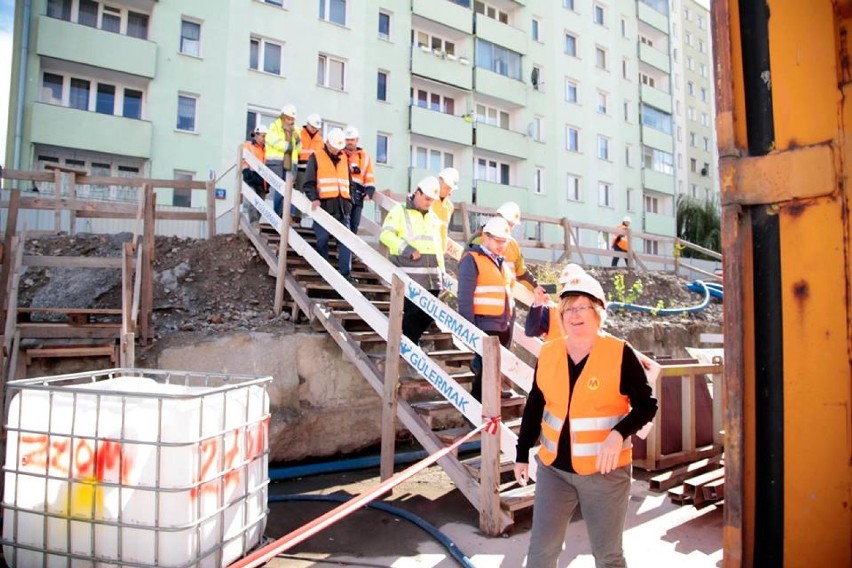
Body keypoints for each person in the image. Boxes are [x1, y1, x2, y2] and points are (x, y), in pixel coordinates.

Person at [513, 268, 658, 568]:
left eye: (583, 307)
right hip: (554, 470)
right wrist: (522, 452)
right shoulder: (550, 353)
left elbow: (647, 405)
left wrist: (618, 434)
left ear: (598, 312)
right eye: (568, 309)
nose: (574, 315)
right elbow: (535, 404)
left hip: (605, 475)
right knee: (541, 552)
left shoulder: (620, 354)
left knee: (608, 557)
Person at [379, 176, 445, 344]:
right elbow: (386, 235)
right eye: (427, 198)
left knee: (428, 315)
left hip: (432, 279)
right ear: (417, 192)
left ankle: (409, 346)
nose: (429, 203)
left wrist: (441, 274)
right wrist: (407, 250)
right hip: (409, 277)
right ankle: (406, 349)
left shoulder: (433, 218)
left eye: (432, 200)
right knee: (410, 318)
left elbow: (437, 247)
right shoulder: (399, 211)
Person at [458, 216, 516, 401]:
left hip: (502, 326)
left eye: (504, 242)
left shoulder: (501, 263)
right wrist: (469, 328)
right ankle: (475, 416)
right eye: (497, 241)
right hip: (484, 325)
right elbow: (465, 297)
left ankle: (483, 416)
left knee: (490, 376)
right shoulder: (472, 260)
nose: (501, 245)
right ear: (485, 237)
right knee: (484, 377)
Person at [303, 127, 354, 281]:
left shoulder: (344, 158)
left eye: (339, 148)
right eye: (334, 148)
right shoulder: (316, 157)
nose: (337, 151)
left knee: (346, 241)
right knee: (322, 239)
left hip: (343, 207)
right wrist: (314, 198)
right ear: (327, 143)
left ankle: (345, 274)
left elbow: (349, 182)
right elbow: (308, 183)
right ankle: (323, 271)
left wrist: (350, 200)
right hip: (323, 207)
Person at [470, 201, 541, 292]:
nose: (509, 228)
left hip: (505, 300)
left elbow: (522, 274)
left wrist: (536, 287)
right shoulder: (479, 240)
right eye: (509, 223)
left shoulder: (513, 244)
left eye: (512, 225)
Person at [524, 263, 588, 340]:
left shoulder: (592, 312)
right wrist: (538, 302)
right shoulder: (551, 312)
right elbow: (530, 331)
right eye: (566, 286)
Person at [264, 104, 300, 218]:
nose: (290, 121)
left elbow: (299, 146)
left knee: (290, 189)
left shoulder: (296, 130)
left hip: (291, 162)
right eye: (288, 118)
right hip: (276, 161)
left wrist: (293, 147)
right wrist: (287, 146)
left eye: (292, 119)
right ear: (283, 117)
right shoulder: (274, 126)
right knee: (279, 189)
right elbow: (271, 140)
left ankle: (289, 215)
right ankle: (278, 214)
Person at [342, 125, 376, 237]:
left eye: (352, 140)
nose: (350, 142)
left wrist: (369, 190)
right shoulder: (340, 154)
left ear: (357, 140)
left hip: (358, 193)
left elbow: (369, 175)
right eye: (347, 140)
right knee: (343, 222)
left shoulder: (364, 156)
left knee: (354, 223)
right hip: (343, 192)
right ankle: (342, 249)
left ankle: (351, 252)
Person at [294, 113, 325, 223]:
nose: (313, 130)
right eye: (312, 127)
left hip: (313, 172)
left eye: (316, 128)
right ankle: (296, 219)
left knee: (312, 196)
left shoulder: (320, 141)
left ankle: (312, 221)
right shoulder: (299, 135)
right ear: (307, 124)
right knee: (298, 194)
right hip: (299, 170)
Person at [240, 125, 267, 223]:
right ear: (256, 135)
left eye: (265, 136)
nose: (264, 139)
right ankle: (253, 222)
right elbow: (243, 160)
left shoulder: (267, 149)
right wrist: (246, 171)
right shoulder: (248, 145)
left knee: (261, 203)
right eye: (263, 136)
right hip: (250, 176)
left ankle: (256, 223)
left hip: (262, 179)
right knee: (252, 199)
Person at [431, 167, 458, 253]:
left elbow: (443, 231)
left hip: (439, 253)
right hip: (425, 251)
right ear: (440, 182)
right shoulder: (427, 200)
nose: (450, 192)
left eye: (451, 189)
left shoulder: (449, 206)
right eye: (448, 188)